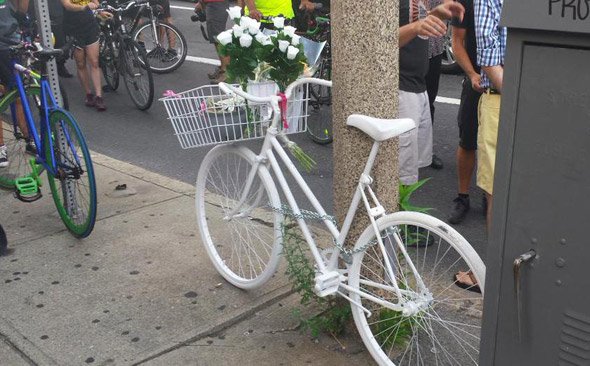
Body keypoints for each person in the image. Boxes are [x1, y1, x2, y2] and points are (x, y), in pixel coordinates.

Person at [397, 0, 464, 186]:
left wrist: (435, 15)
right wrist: (416, 27)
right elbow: (378, 41)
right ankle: (390, 214)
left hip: (418, 86)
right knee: (398, 174)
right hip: (401, 90)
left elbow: (414, 26)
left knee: (409, 173)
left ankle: (397, 213)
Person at [448, 0, 483, 225]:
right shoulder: (467, 2)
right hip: (476, 80)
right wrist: (471, 74)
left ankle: (491, 195)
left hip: (509, 82)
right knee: (468, 140)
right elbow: (457, 41)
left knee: (502, 144)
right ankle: (463, 197)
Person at [474, 0, 506, 231]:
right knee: (498, 191)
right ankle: (496, 266)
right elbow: (488, 56)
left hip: (542, 100)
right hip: (501, 97)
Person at [61, 0, 106, 111]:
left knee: (94, 62)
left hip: (90, 25)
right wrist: (84, 7)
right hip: (73, 28)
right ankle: (88, 94)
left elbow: (95, 3)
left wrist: (97, 8)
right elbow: (67, 5)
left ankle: (99, 96)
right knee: (81, 63)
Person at [0, 0, 30, 168]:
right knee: (18, 93)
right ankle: (29, 138)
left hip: (10, 40)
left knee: (18, 94)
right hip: (12, 39)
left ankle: (2, 148)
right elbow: (22, 6)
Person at [424, 0, 444, 170]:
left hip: (434, 49)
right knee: (404, 97)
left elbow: (448, 7)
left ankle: (427, 151)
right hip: (409, 50)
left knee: (429, 101)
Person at [194, 0, 229, 83]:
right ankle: (223, 68)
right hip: (213, 4)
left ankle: (226, 71)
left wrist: (201, 2)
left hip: (216, 4)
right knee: (216, 38)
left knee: (219, 39)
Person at [243, 0, 315, 27]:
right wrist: (252, 9)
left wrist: (304, 1)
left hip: (285, 19)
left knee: (283, 57)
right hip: (257, 20)